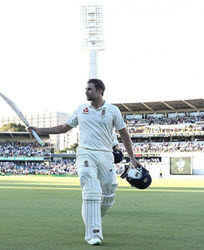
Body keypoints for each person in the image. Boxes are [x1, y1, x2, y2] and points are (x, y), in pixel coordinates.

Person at [28, 79, 141, 245]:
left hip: (105, 155)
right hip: (85, 153)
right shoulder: (81, 109)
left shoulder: (112, 110)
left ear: (100, 90)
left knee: (108, 193)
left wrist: (132, 157)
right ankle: (93, 234)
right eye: (86, 89)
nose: (86, 92)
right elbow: (64, 128)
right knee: (91, 188)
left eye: (89, 89)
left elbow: (124, 135)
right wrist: (39, 130)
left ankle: (95, 217)